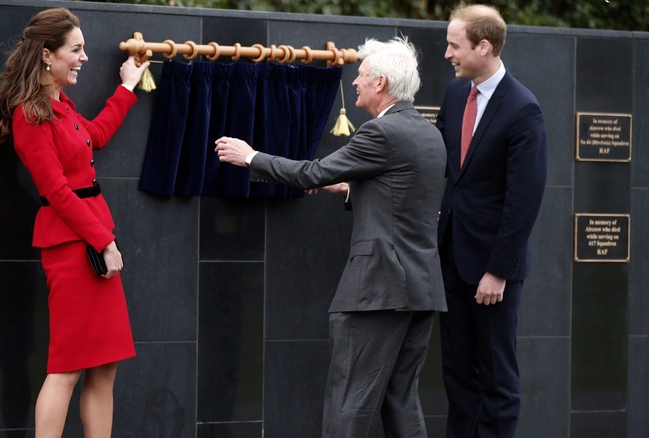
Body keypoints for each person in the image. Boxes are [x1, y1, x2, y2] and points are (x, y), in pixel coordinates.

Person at [215, 36, 446, 437]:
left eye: (362, 75)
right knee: (400, 397)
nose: (354, 82)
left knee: (350, 398)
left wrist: (250, 156)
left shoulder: (381, 133)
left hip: (377, 290)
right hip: (420, 288)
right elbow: (401, 196)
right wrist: (351, 188)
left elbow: (312, 172)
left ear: (381, 84)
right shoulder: (429, 135)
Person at [0, 7, 149, 437]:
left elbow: (94, 135)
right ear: (46, 54)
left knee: (104, 366)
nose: (84, 57)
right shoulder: (29, 114)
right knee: (67, 368)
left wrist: (127, 87)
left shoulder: (61, 105)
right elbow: (57, 191)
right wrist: (104, 241)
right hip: (76, 247)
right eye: (75, 50)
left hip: (92, 242)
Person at [435, 4, 547, 437]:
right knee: (458, 376)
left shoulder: (524, 109)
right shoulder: (454, 92)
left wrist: (497, 271)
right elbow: (438, 162)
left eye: (453, 45)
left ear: (484, 46)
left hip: (492, 272)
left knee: (497, 378)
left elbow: (524, 202)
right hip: (450, 260)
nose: (448, 54)